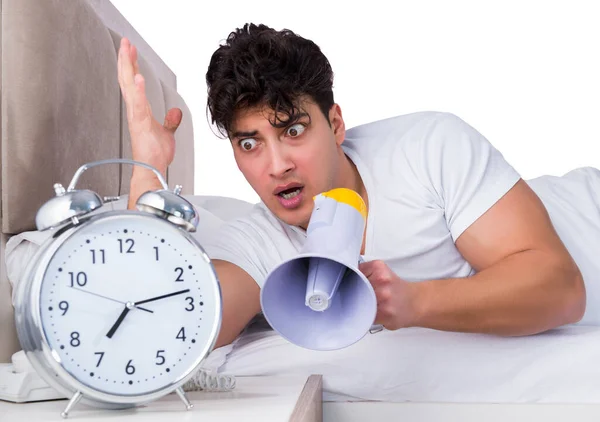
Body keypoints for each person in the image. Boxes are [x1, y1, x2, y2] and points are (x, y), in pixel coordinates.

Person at [117, 23, 600, 350]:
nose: (277, 164)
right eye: (250, 143)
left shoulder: (428, 145)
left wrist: (413, 303)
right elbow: (160, 328)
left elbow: (562, 288)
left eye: (292, 130)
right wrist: (146, 172)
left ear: (336, 122)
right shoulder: (259, 241)